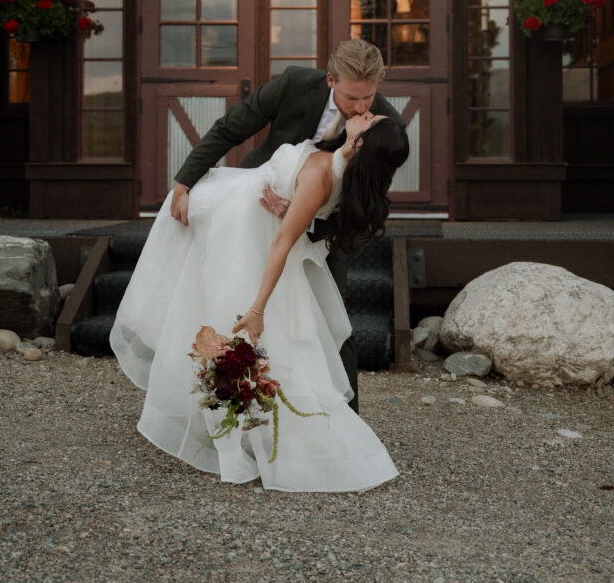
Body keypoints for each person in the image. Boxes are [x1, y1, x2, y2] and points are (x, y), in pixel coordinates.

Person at [110, 110, 409, 492]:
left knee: (237, 326)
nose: (364, 111)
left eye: (369, 117)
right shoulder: (342, 158)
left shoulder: (322, 175)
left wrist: (257, 309)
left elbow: (283, 241)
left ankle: (246, 433)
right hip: (232, 213)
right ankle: (226, 424)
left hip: (242, 235)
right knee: (206, 311)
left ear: (362, 142)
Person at [169, 38, 405, 411]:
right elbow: (231, 128)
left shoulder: (385, 126)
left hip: (326, 228)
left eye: (368, 97)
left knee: (332, 321)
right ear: (331, 80)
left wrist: (305, 217)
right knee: (232, 303)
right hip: (252, 209)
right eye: (350, 98)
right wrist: (184, 183)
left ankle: (344, 421)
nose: (360, 108)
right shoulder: (294, 84)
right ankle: (222, 410)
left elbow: (364, 203)